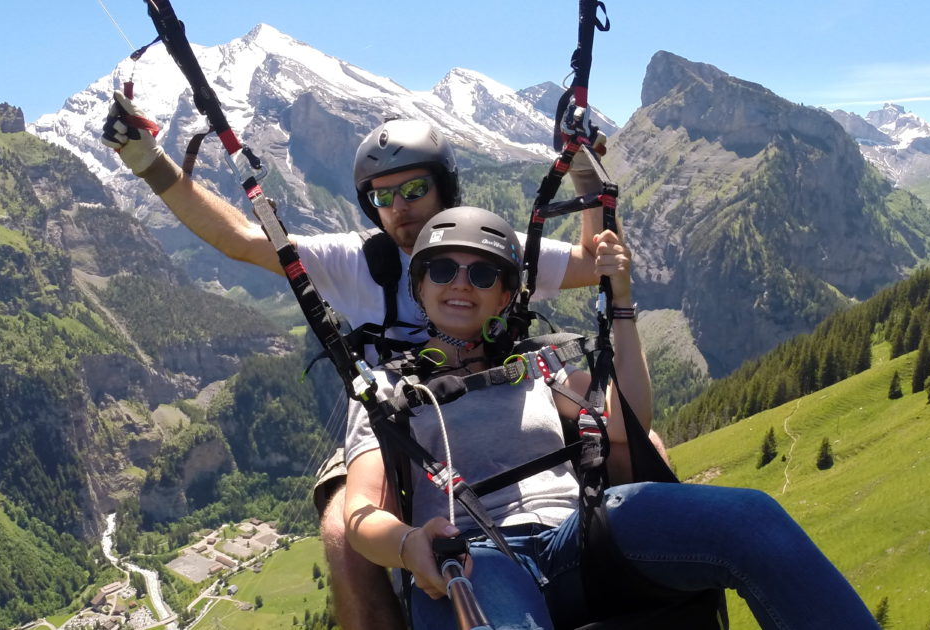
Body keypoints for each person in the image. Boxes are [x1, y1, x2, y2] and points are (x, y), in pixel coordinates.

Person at [101, 94, 617, 630]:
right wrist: (148, 161)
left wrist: (584, 173)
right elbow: (241, 239)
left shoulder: (483, 245)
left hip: (500, 400)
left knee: (636, 441)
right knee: (342, 536)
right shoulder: (357, 261)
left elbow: (590, 263)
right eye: (382, 196)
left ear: (445, 188)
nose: (400, 207)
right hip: (391, 428)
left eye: (415, 189)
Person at [342, 207, 879, 630]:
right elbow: (361, 511)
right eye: (442, 269)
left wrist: (620, 301)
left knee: (750, 519)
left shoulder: (533, 368)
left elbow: (627, 422)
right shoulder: (389, 390)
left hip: (579, 535)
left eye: (481, 273)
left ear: (505, 295)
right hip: (474, 559)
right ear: (420, 285)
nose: (461, 283)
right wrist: (411, 546)